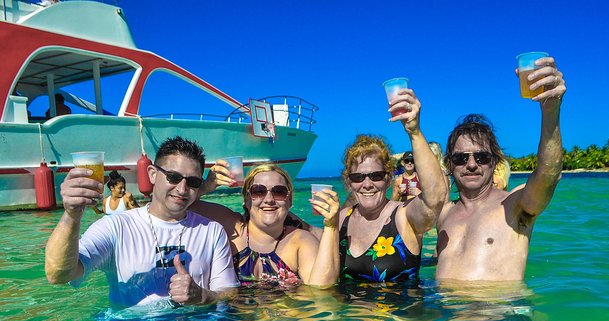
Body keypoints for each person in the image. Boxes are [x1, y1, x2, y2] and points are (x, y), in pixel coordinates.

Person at [45, 136, 239, 308]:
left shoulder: (212, 231)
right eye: (173, 177)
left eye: (193, 182)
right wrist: (72, 215)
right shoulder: (116, 227)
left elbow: (229, 293)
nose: (182, 189)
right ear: (153, 174)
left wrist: (202, 296)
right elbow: (58, 275)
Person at [435, 56, 566, 282]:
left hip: (500, 313)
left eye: (482, 156)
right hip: (446, 314)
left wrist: (551, 110)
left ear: (494, 162)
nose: (472, 164)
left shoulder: (514, 205)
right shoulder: (444, 214)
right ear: (449, 165)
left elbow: (548, 175)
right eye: (461, 158)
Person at [336, 88, 446, 282]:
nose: (367, 184)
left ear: (388, 179)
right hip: (350, 313)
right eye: (358, 177)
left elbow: (434, 198)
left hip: (402, 313)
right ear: (349, 182)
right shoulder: (339, 221)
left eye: (376, 176)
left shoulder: (404, 217)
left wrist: (414, 132)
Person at [190, 163, 340, 287]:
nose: (269, 199)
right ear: (247, 200)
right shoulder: (230, 226)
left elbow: (321, 290)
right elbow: (176, 207)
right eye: (258, 191)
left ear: (289, 201)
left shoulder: (300, 241)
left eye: (279, 192)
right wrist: (205, 188)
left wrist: (331, 225)